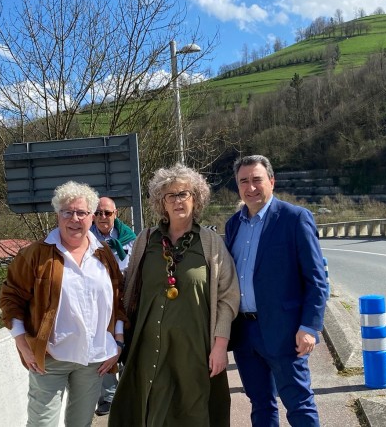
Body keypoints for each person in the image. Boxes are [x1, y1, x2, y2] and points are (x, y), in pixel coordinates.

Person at [109, 164, 240, 427]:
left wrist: (220, 346)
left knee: (193, 411)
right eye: (171, 195)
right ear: (162, 203)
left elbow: (228, 297)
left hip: (195, 349)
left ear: (196, 199)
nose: (178, 200)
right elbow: (126, 289)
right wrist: (119, 334)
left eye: (185, 194)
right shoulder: (146, 240)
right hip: (149, 347)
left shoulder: (211, 243)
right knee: (151, 408)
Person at [0, 181, 127, 427]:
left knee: (80, 424)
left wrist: (118, 342)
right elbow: (11, 297)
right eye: (68, 212)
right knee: (41, 424)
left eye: (82, 212)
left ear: (91, 217)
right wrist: (23, 344)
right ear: (57, 215)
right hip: (50, 358)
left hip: (93, 360)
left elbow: (118, 300)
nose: (75, 219)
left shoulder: (104, 255)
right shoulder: (36, 254)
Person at [224, 155, 328, 427]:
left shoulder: (295, 218)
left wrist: (309, 326)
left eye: (257, 179)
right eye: (243, 181)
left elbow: (316, 279)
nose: (251, 187)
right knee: (260, 404)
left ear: (271, 181)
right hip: (245, 334)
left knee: (298, 403)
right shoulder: (233, 224)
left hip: (285, 332)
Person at [90, 196, 137, 416]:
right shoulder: (85, 238)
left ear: (115, 214)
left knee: (129, 346)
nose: (102, 217)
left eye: (107, 213)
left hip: (127, 300)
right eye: (98, 213)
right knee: (104, 346)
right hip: (99, 305)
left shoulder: (130, 239)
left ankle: (129, 392)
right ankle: (107, 396)